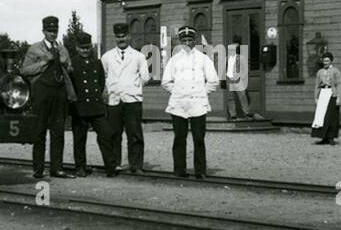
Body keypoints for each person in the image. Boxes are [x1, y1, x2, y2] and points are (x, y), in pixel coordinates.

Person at [19, 15, 77, 179]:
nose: (53, 33)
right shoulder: (34, 49)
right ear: (43, 31)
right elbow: (24, 71)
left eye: (55, 30)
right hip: (42, 92)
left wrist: (66, 63)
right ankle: (38, 169)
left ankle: (57, 168)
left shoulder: (62, 48)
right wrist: (44, 62)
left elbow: (70, 69)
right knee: (39, 131)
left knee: (58, 132)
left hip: (59, 93)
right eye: (50, 30)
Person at [162, 24, 219, 179]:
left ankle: (200, 171)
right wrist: (179, 91)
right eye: (184, 40)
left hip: (198, 104)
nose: (187, 43)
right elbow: (166, 82)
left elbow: (213, 81)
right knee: (179, 138)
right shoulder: (174, 60)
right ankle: (179, 170)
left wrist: (200, 92)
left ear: (194, 41)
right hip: (179, 104)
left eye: (190, 39)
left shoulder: (203, 59)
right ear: (180, 41)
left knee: (199, 138)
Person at [101, 22, 150, 176]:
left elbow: (145, 77)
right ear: (115, 37)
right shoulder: (107, 57)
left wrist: (132, 87)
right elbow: (103, 77)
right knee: (114, 133)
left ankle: (136, 165)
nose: (121, 39)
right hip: (114, 100)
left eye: (123, 36)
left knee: (134, 134)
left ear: (129, 36)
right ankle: (115, 163)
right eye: (118, 36)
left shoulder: (138, 56)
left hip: (132, 100)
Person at [67, 32, 113, 177]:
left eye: (87, 48)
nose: (85, 51)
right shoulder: (72, 63)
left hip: (96, 106)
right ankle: (80, 166)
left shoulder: (97, 62)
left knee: (106, 134)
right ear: (77, 48)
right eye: (82, 48)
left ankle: (110, 166)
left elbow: (100, 82)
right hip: (80, 107)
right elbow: (70, 85)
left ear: (91, 47)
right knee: (79, 139)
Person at [310, 51, 341, 145]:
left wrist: (339, 97)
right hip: (323, 93)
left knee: (331, 116)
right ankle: (323, 137)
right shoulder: (320, 72)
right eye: (324, 61)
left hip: (332, 94)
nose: (325, 62)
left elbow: (339, 84)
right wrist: (316, 97)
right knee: (322, 116)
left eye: (327, 61)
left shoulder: (336, 71)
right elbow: (317, 85)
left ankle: (331, 137)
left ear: (331, 61)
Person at [226, 34, 251, 119]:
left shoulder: (241, 58)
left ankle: (246, 112)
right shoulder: (227, 59)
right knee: (230, 98)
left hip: (239, 80)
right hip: (230, 80)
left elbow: (245, 69)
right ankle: (232, 114)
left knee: (242, 96)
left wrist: (242, 77)